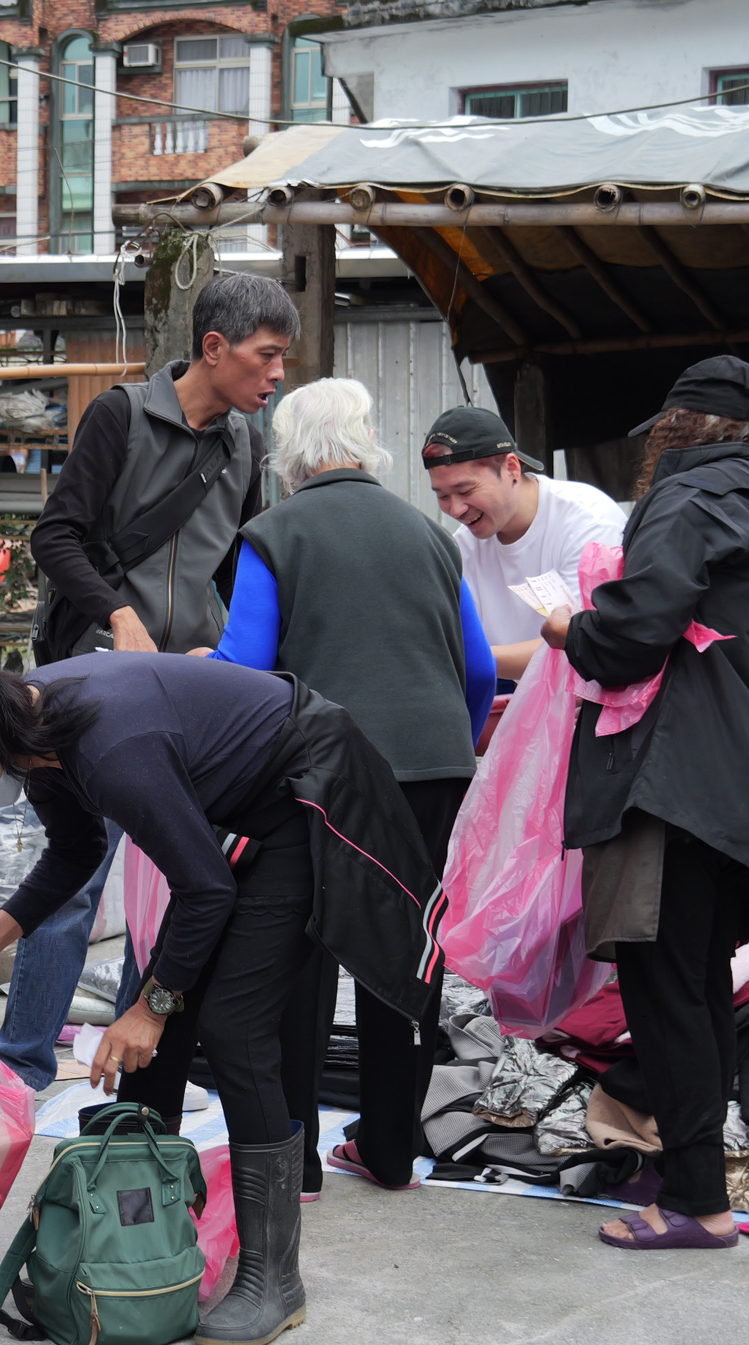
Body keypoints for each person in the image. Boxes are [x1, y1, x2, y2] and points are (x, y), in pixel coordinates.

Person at [0, 654, 442, 1345]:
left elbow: (206, 890)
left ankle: (275, 1280)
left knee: (231, 1027)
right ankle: (132, 1244)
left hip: (301, 799)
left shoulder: (109, 748)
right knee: (158, 1033)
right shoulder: (32, 733)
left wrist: (150, 1007)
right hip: (230, 825)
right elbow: (75, 852)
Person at [540, 356, 749, 1251]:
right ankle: (701, 1186)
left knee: (667, 992)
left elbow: (632, 635)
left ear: (676, 429)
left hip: (679, 785)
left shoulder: (686, 500)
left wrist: (570, 630)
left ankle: (697, 1202)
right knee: (697, 988)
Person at [0, 272, 296, 1093]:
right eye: (266, 356)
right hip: (93, 692)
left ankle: (135, 1072)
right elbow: (55, 536)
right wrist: (116, 613)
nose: (276, 375)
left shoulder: (245, 445)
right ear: (214, 347)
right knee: (76, 876)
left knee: (167, 892)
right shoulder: (120, 416)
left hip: (184, 699)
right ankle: (19, 1065)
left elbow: (239, 568)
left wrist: (231, 657)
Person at [206, 377, 494, 1194]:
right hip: (434, 764)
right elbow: (477, 667)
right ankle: (392, 1149)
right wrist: (452, 741)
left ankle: (294, 1157)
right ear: (367, 445)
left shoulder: (273, 532)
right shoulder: (431, 534)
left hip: (324, 772)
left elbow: (245, 669)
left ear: (287, 453)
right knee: (405, 947)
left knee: (299, 953)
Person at [423, 406, 624, 683]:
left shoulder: (588, 522)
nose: (456, 509)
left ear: (511, 468)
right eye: (443, 496)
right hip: (513, 696)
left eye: (465, 490)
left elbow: (586, 644)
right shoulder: (462, 548)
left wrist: (463, 660)